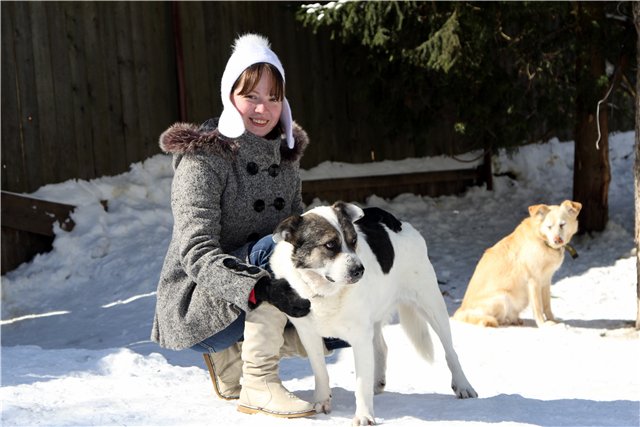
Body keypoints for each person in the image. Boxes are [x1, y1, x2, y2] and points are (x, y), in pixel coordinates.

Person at [151, 33, 333, 418]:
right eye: (251, 95)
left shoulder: (284, 158)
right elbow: (196, 252)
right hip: (200, 305)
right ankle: (258, 384)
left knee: (339, 323)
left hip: (259, 288)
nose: (262, 109)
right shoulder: (204, 158)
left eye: (273, 97)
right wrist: (258, 287)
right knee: (279, 250)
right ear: (229, 97)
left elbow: (303, 236)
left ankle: (240, 359)